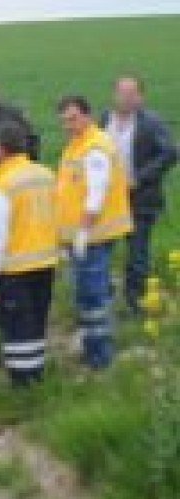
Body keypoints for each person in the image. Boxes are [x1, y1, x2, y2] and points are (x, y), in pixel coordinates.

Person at [0, 121, 60, 387]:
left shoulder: (3, 183)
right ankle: (38, 377)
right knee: (37, 323)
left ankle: (22, 384)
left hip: (16, 269)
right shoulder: (46, 174)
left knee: (18, 329)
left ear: (0, 150)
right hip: (46, 262)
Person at [56, 95, 132, 370]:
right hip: (88, 235)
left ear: (87, 116)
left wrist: (82, 233)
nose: (68, 124)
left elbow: (96, 195)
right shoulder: (78, 145)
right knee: (92, 292)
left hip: (93, 235)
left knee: (91, 295)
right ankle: (94, 346)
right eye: (64, 120)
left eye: (73, 118)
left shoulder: (95, 147)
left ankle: (100, 357)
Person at [101, 76, 177, 313]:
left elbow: (170, 153)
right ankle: (105, 299)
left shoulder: (151, 122)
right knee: (102, 252)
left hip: (140, 199)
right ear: (114, 95)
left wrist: (139, 178)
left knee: (137, 255)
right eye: (122, 93)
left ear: (140, 97)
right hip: (109, 200)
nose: (126, 98)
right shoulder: (105, 120)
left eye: (131, 93)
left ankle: (136, 304)